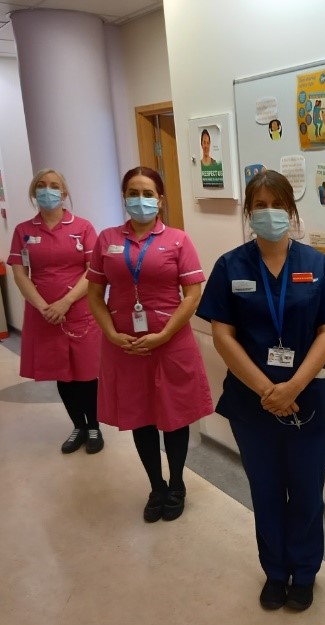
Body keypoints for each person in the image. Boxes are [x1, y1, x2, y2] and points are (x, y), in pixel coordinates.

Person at [196, 169, 325, 612]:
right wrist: (268, 389)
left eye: (277, 204)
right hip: (253, 402)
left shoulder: (315, 264)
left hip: (309, 401)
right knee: (265, 491)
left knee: (305, 492)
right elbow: (223, 336)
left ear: (292, 211)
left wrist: (295, 385)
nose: (269, 213)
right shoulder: (231, 266)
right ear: (248, 212)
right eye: (259, 206)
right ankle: (275, 572)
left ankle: (304, 573)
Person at [86, 166, 213, 522]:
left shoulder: (177, 239)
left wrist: (164, 334)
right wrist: (110, 333)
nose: (139, 200)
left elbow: (192, 295)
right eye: (132, 192)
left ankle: (176, 484)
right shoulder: (107, 239)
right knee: (139, 416)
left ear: (160, 199)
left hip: (170, 342)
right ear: (124, 197)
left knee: (173, 417)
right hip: (124, 344)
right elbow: (95, 294)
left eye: (147, 193)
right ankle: (155, 485)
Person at [7, 168, 103, 454]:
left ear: (64, 193)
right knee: (63, 374)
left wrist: (65, 302)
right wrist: (43, 306)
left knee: (87, 374)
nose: (48, 190)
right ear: (33, 192)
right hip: (44, 313)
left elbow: (94, 271)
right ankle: (79, 426)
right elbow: (20, 274)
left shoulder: (82, 227)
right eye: (42, 186)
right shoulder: (24, 231)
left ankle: (95, 426)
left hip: (80, 309)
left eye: (54, 186)